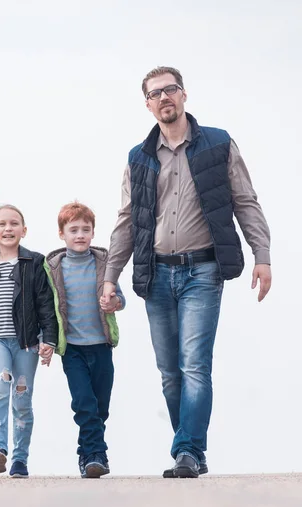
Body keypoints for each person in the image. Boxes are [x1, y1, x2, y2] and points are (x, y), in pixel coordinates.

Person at [103, 66, 272, 478]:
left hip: (203, 271)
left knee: (195, 363)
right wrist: (110, 275)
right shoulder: (138, 157)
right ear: (147, 104)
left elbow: (245, 201)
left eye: (171, 90)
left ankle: (188, 451)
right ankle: (190, 449)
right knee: (169, 372)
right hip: (156, 274)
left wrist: (261, 254)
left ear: (183, 95)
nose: (164, 98)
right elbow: (128, 220)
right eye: (155, 93)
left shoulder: (218, 143)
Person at [0, 205, 57, 478]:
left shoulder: (34, 263)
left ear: (24, 230)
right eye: (2, 224)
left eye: (14, 223)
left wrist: (49, 339)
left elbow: (45, 304)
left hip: (27, 342)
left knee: (22, 396)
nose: (8, 229)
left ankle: (19, 459)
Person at [45, 202, 125, 478]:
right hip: (73, 350)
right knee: (84, 403)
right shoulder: (54, 268)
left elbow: (119, 299)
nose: (80, 235)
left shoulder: (104, 264)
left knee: (100, 406)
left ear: (93, 233)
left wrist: (114, 302)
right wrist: (46, 340)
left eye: (85, 230)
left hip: (101, 346)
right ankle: (95, 455)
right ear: (61, 234)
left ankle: (88, 453)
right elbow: (48, 307)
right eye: (73, 230)